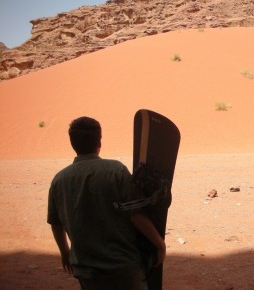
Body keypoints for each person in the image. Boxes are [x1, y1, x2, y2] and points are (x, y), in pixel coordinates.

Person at [47, 116, 165, 290]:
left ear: (72, 143)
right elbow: (135, 214)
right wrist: (159, 244)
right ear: (99, 141)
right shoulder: (115, 170)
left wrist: (65, 253)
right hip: (123, 267)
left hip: (86, 270)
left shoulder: (59, 180)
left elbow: (55, 222)